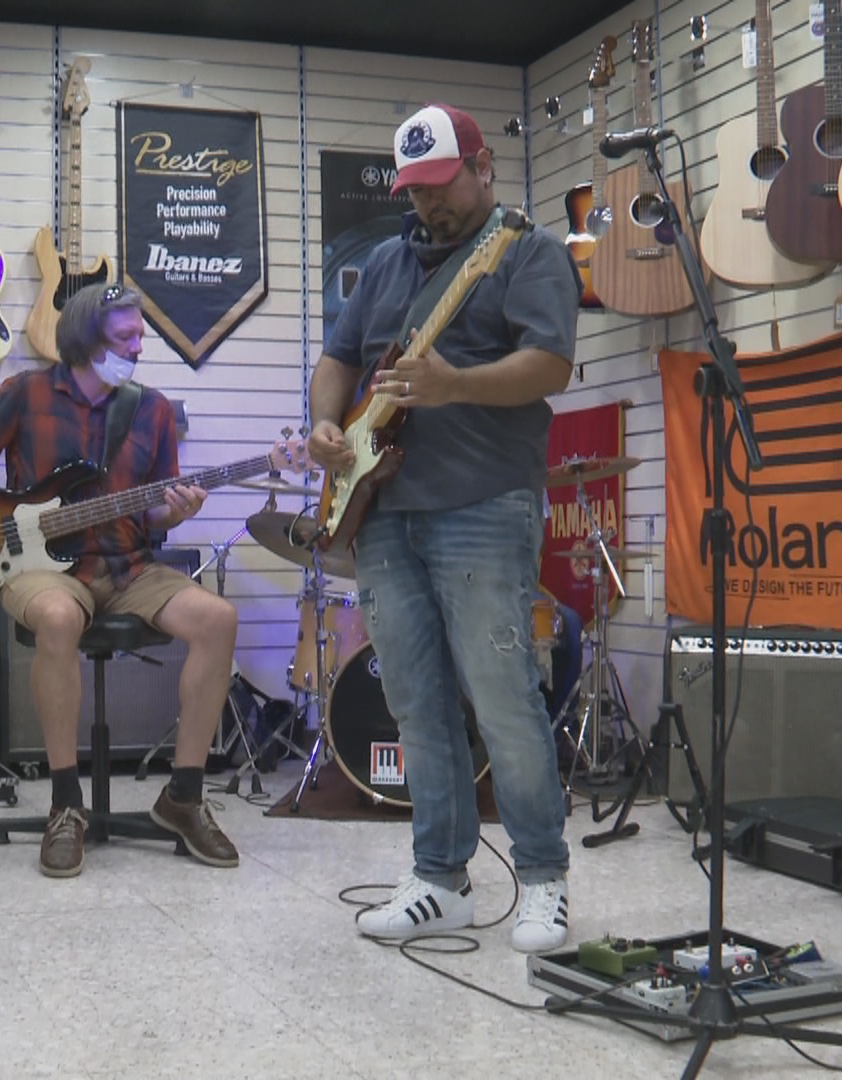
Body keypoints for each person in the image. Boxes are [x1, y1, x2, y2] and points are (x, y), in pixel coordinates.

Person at [306, 104, 581, 952]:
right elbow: (338, 357)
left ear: (483, 165)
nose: (430, 207)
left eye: (442, 186)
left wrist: (455, 385)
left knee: (504, 701)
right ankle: (439, 878)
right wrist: (324, 425)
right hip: (384, 511)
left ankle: (542, 879)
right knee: (415, 705)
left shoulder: (525, 253)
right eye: (416, 192)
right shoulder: (386, 263)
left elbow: (551, 364)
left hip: (484, 504)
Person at [0, 283, 240, 878]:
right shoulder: (26, 392)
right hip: (40, 565)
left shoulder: (150, 408)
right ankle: (65, 804)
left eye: (140, 336)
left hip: (127, 564)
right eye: (127, 337)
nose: (140, 347)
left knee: (218, 620)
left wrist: (175, 512)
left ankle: (183, 797)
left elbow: (153, 510)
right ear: (85, 340)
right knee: (57, 618)